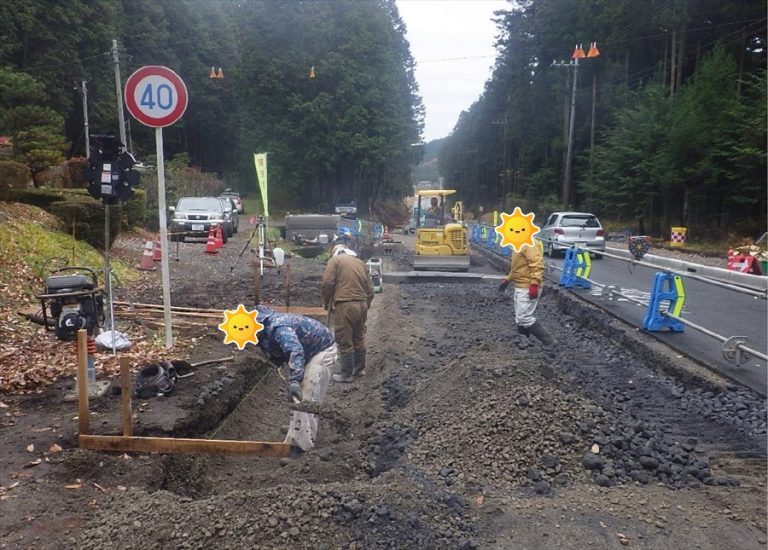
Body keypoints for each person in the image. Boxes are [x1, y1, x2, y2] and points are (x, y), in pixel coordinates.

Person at [256, 304, 337, 451]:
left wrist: (294, 380)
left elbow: (295, 350)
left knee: (306, 392)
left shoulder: (278, 328)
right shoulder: (266, 330)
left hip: (323, 351)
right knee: (304, 393)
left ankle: (300, 447)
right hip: (310, 351)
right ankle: (298, 428)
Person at [321, 244, 374, 383]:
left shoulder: (335, 261)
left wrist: (327, 302)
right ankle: (359, 369)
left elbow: (327, 282)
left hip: (345, 304)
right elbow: (370, 289)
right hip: (361, 304)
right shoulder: (361, 263)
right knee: (359, 336)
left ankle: (346, 374)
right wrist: (365, 305)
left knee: (344, 339)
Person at [498, 242, 556, 346]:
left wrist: (534, 284)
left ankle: (550, 342)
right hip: (521, 286)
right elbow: (517, 268)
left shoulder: (529, 244)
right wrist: (508, 279)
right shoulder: (518, 245)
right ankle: (524, 343)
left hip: (527, 286)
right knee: (520, 318)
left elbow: (537, 265)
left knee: (523, 317)